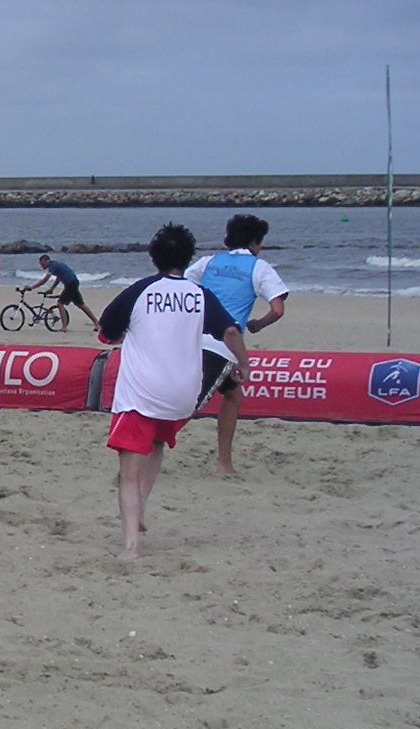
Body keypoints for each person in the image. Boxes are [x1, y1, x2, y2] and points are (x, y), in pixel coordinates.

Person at [98, 224, 250, 561]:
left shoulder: (140, 290)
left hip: (143, 392)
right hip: (183, 396)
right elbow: (229, 330)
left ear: (154, 257)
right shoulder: (200, 294)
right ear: (187, 257)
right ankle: (141, 508)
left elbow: (107, 331)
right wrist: (244, 363)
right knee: (155, 444)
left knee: (129, 469)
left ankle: (131, 546)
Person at [185, 213, 290, 476]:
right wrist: (258, 324)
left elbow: (184, 289)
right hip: (222, 345)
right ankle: (142, 453)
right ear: (255, 242)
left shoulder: (207, 262)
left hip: (190, 338)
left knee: (232, 395)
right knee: (187, 408)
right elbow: (277, 309)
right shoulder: (259, 267)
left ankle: (225, 464)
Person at [22, 254, 95, 330]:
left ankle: (64, 327)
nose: (41, 266)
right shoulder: (55, 265)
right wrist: (52, 289)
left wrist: (32, 287)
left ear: (47, 261)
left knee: (60, 303)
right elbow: (58, 278)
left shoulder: (53, 266)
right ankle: (96, 323)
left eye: (42, 264)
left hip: (71, 284)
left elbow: (45, 279)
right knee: (80, 305)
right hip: (73, 283)